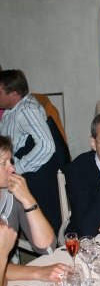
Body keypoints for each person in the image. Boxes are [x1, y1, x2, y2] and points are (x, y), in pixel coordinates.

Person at [0, 69, 66, 234]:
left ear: (14, 94)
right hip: (22, 170)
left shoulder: (27, 110)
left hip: (36, 175)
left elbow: (46, 145)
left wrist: (17, 168)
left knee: (46, 222)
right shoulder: (11, 109)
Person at [0, 135, 67, 284]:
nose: (12, 168)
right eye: (3, 163)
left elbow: (47, 247)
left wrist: (28, 199)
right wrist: (38, 272)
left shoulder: (11, 193)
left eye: (11, 161)